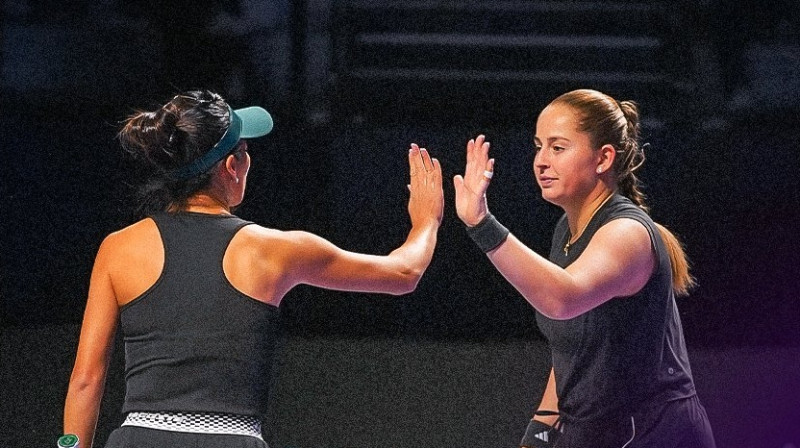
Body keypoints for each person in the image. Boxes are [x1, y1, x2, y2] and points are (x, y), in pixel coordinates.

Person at [62, 90, 443, 448]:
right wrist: (426, 220)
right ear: (232, 165)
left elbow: (86, 379)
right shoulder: (272, 250)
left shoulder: (118, 248)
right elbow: (403, 274)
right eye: (245, 151)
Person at [454, 89, 716, 447]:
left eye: (558, 148)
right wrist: (540, 433)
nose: (541, 161)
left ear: (603, 158)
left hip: (654, 434)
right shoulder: (567, 229)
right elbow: (573, 346)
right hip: (596, 431)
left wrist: (482, 225)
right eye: (538, 146)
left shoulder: (627, 235)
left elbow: (562, 299)